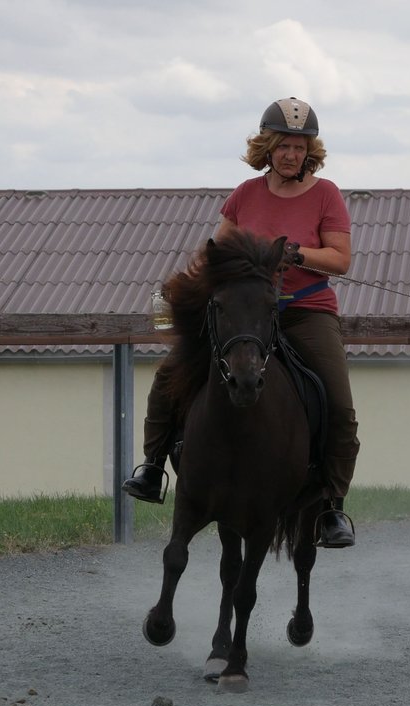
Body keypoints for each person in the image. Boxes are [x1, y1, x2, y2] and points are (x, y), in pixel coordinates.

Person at [122, 97, 359, 548]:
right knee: (170, 374)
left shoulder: (326, 193)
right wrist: (183, 289)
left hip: (305, 311)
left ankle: (331, 506)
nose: (291, 154)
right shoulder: (245, 194)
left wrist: (299, 254)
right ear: (267, 148)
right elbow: (217, 254)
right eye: (283, 146)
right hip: (246, 315)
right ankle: (153, 468)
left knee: (340, 405)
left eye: (299, 146)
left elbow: (341, 258)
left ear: (311, 149)